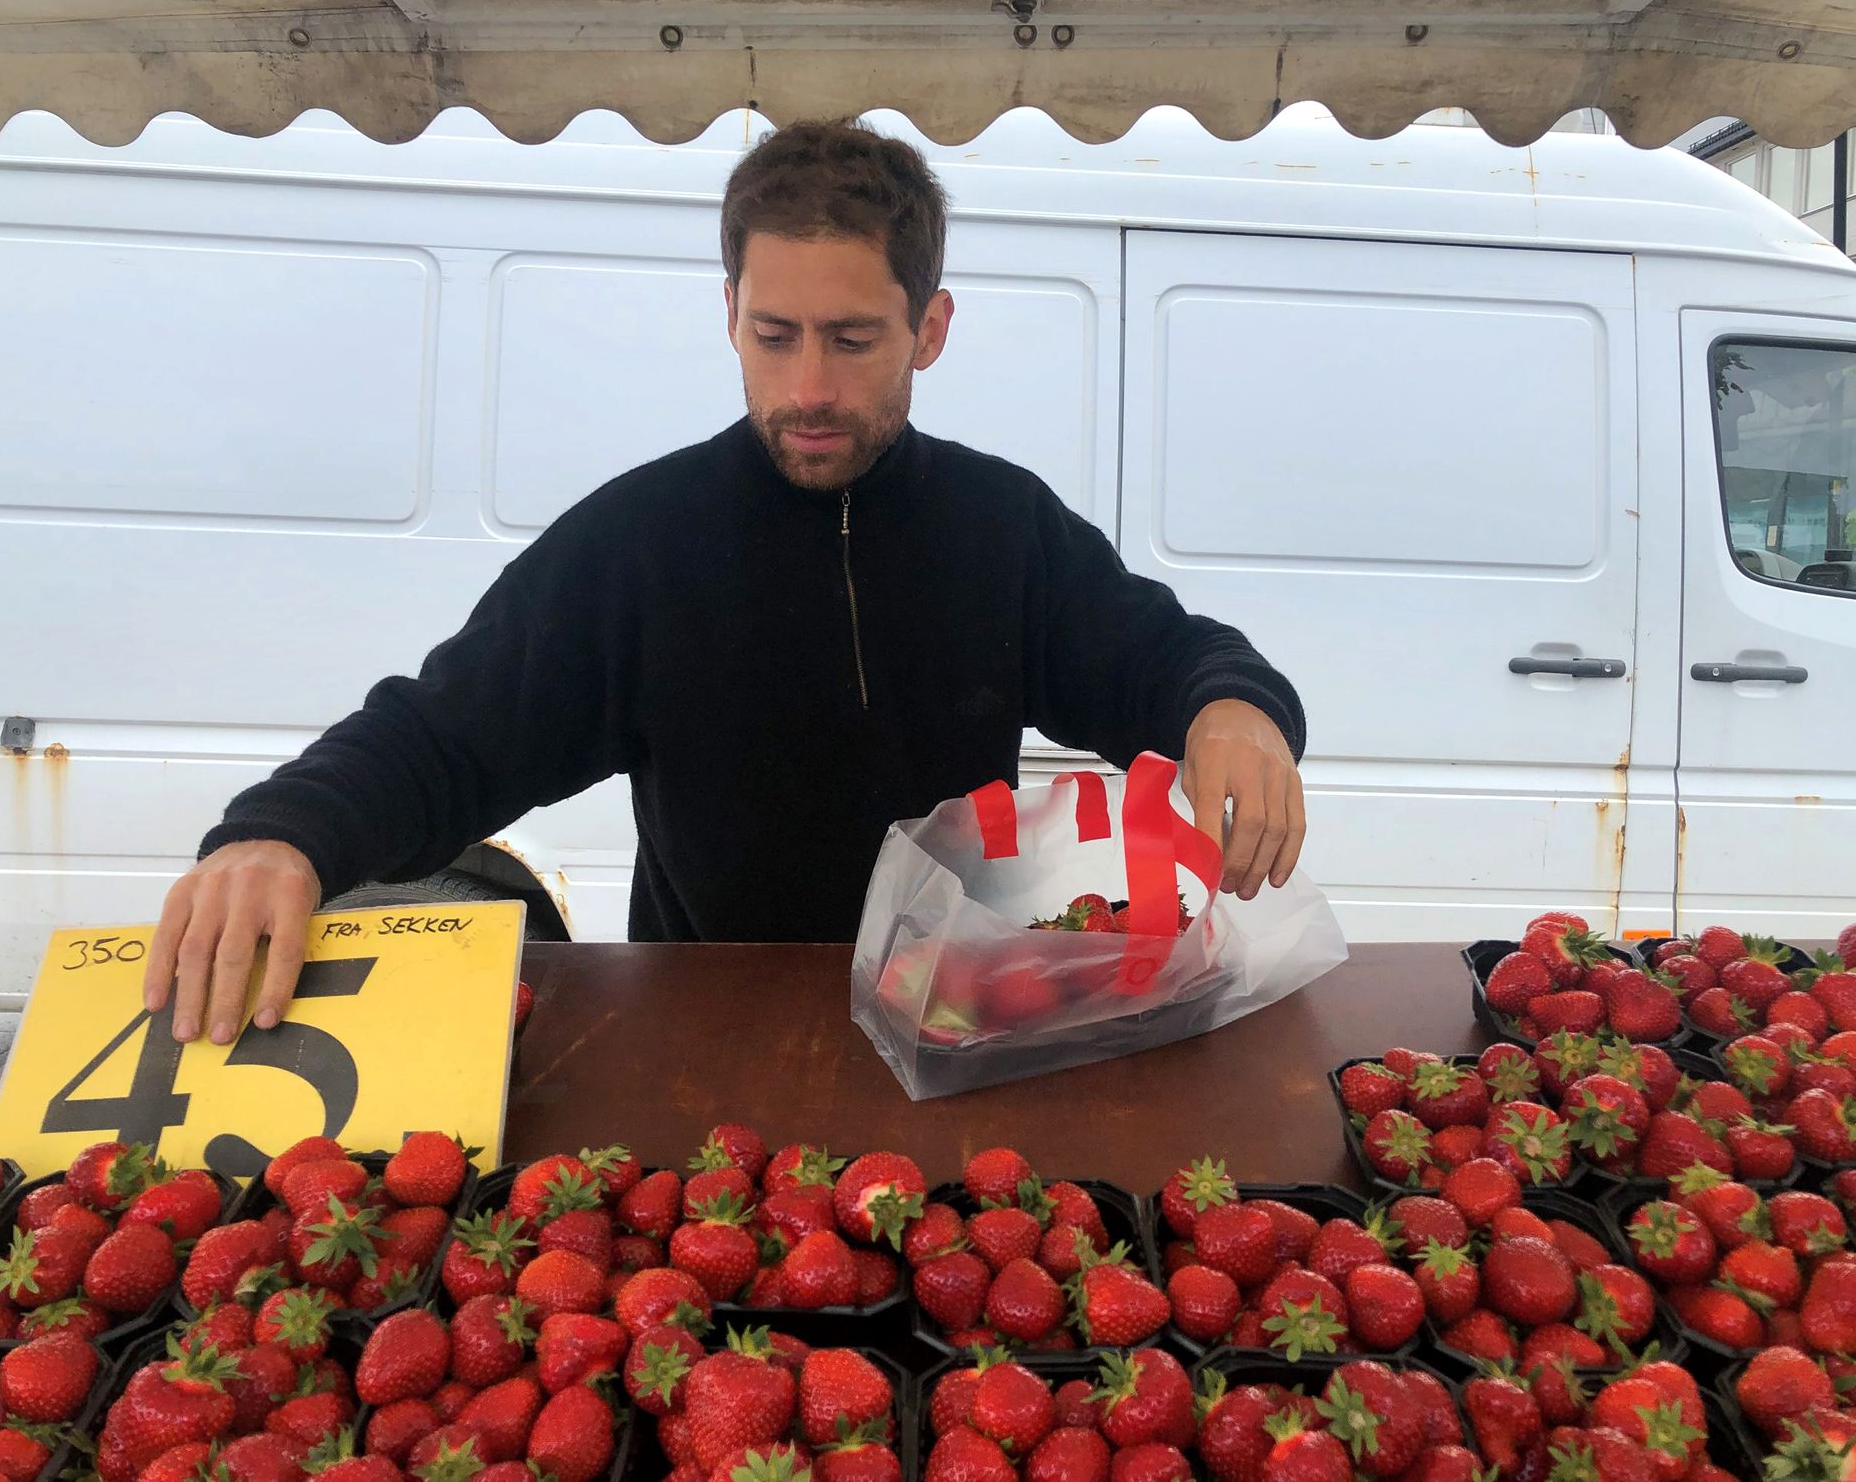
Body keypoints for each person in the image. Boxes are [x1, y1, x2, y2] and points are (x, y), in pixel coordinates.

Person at [143, 118, 1309, 1047]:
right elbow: (446, 736)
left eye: (851, 340)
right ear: (729, 315)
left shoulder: (1001, 527)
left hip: (955, 1033)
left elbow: (1162, 658)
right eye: (773, 334)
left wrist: (1232, 708)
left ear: (929, 329)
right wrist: (281, 836)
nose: (808, 388)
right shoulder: (639, 543)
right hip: (701, 1047)